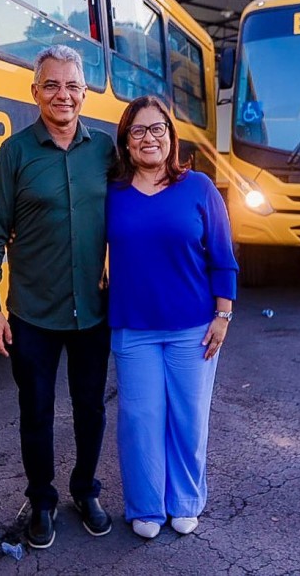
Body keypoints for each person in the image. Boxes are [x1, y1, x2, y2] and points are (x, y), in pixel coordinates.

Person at [0, 45, 117, 549]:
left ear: (85, 93)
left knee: (90, 409)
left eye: (73, 86)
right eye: (52, 85)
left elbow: (141, 202)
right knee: (35, 411)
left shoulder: (105, 150)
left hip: (93, 311)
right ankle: (41, 500)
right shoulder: (14, 153)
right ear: (34, 92)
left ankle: (85, 489)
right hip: (32, 313)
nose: (64, 95)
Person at [105, 95, 238, 539]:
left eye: (157, 128)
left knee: (187, 416)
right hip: (133, 327)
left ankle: (184, 501)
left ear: (171, 135)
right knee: (140, 418)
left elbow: (223, 256)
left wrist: (223, 314)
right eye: (139, 131)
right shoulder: (112, 194)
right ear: (125, 142)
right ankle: (145, 506)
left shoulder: (198, 188)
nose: (149, 138)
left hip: (193, 328)